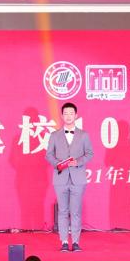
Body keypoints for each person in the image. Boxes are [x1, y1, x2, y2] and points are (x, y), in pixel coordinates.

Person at [46, 102, 94, 252]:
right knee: (62, 211)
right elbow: (49, 155)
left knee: (76, 211)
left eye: (71, 113)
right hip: (60, 178)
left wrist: (77, 162)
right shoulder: (54, 135)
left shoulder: (83, 135)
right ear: (62, 116)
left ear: (76, 116)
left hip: (78, 178)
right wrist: (58, 164)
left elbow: (89, 153)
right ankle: (64, 242)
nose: (68, 116)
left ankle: (76, 241)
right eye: (65, 113)